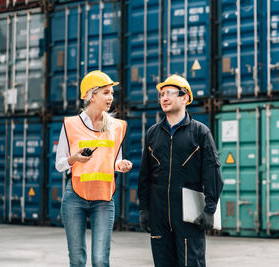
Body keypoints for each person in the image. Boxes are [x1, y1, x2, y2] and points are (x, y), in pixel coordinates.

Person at [138, 75, 223, 267]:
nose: (164, 98)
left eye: (169, 93)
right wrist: (144, 208)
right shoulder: (152, 133)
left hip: (188, 217)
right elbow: (145, 175)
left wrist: (210, 209)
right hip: (159, 215)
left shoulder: (200, 133)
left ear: (185, 98)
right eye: (161, 94)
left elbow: (212, 173)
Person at [55, 70, 132, 267]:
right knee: (78, 260)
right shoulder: (71, 124)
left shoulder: (117, 126)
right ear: (91, 95)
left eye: (112, 93)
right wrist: (74, 159)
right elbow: (59, 164)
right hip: (75, 197)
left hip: (104, 200)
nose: (111, 97)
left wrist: (121, 165)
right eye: (106, 92)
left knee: (100, 260)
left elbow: (116, 160)